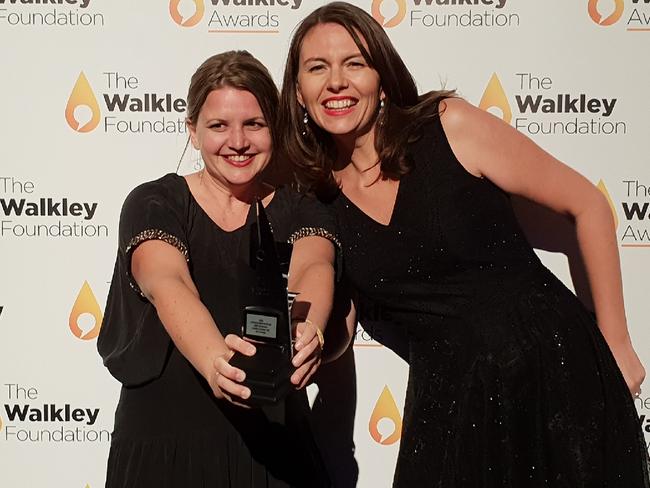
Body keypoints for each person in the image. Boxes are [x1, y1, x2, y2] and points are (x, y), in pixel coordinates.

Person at [278, 2, 650, 486]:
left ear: (383, 77)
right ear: (300, 94)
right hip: (449, 408)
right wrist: (314, 340)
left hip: (550, 375)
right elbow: (345, 310)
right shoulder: (314, 196)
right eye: (317, 68)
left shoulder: (447, 126)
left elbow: (586, 206)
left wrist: (616, 343)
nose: (336, 82)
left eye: (355, 63)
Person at [98, 50, 338, 488]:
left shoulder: (302, 206)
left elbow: (314, 264)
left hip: (276, 453)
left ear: (275, 128)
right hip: (165, 450)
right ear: (192, 130)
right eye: (218, 125)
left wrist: (309, 331)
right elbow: (166, 281)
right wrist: (216, 363)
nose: (238, 141)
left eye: (254, 124)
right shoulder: (155, 202)